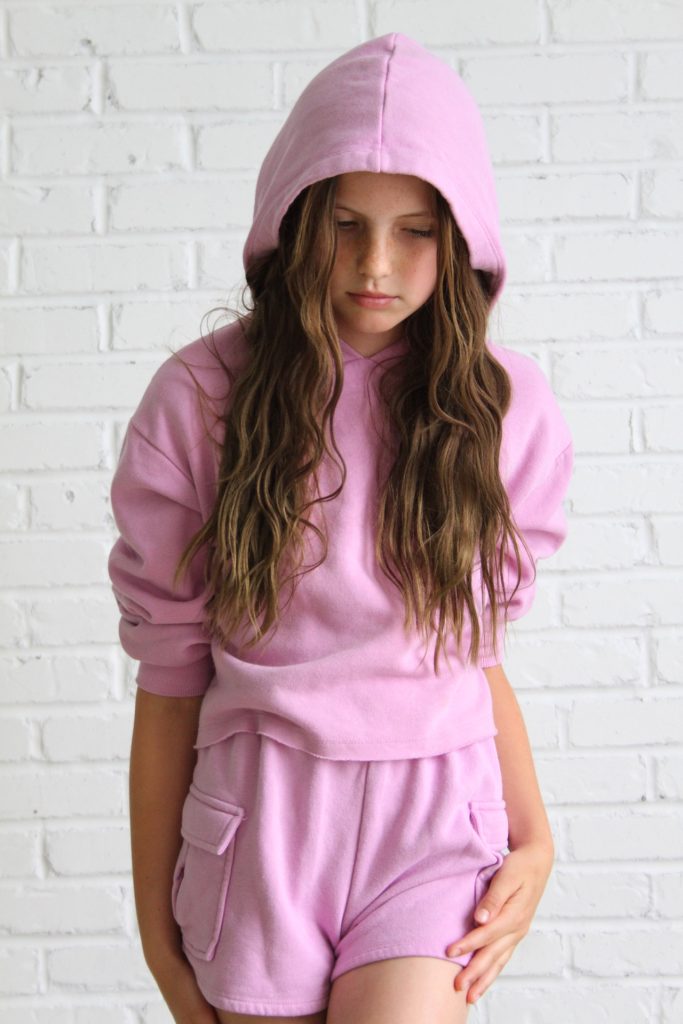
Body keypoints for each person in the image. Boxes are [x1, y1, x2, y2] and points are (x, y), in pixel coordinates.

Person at [107, 32, 574, 1024]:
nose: (375, 264)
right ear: (294, 221)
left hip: (433, 822)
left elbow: (471, 652)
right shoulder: (200, 400)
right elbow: (169, 683)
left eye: (415, 231)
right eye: (345, 225)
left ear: (461, 239)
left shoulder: (502, 409)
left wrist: (536, 837)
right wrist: (155, 936)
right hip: (261, 824)